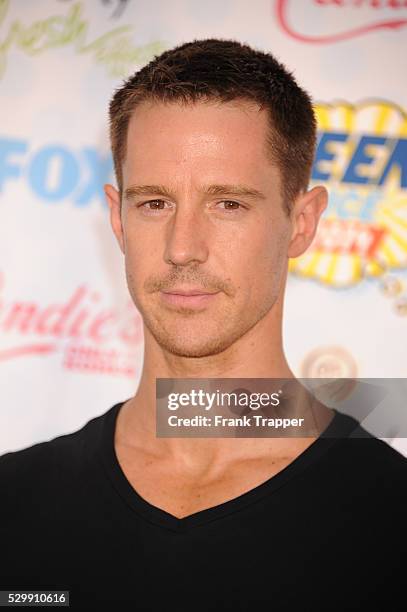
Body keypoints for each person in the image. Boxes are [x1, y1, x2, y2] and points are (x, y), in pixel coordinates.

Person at [0, 38, 406, 610]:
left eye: (228, 204)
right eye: (154, 203)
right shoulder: (14, 504)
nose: (182, 249)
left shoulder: (391, 526)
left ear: (303, 221)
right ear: (117, 219)